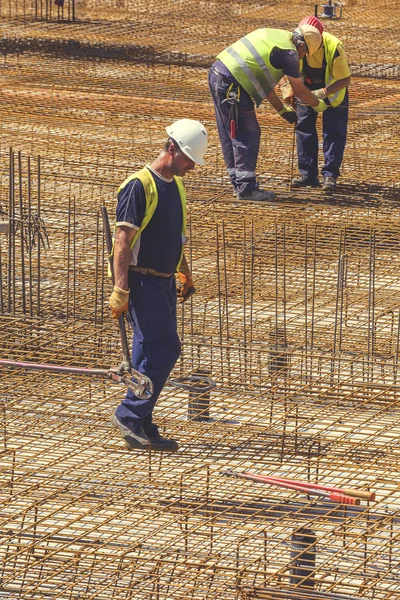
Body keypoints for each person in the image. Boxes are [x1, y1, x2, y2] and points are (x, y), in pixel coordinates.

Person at [108, 119, 208, 451]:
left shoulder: (176, 185)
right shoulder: (139, 186)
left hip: (163, 283)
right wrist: (121, 289)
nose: (192, 166)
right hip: (142, 281)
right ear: (171, 148)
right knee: (164, 350)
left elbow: (173, 237)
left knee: (145, 356)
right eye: (189, 159)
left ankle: (141, 419)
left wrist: (184, 271)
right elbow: (123, 242)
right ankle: (130, 413)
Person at [209, 24, 328, 202]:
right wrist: (317, 104)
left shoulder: (276, 35)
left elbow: (263, 82)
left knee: (230, 131)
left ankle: (238, 183)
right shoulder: (290, 54)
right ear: (302, 47)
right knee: (247, 133)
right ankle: (247, 189)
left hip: (218, 74)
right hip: (233, 84)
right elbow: (300, 91)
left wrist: (281, 110)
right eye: (306, 54)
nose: (304, 58)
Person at [288, 16, 351, 191]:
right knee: (304, 127)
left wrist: (323, 93)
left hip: (333, 93)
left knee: (333, 132)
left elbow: (345, 79)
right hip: (306, 87)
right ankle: (308, 174)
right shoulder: (296, 44)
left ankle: (330, 175)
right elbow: (288, 71)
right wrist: (292, 91)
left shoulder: (334, 47)